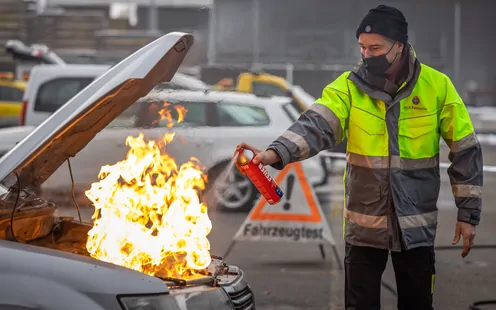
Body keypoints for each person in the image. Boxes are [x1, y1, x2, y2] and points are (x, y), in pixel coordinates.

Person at [237, 4, 483, 310]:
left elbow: (465, 150)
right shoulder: (348, 87)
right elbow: (316, 124)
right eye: (363, 48)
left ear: (400, 46)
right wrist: (277, 151)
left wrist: (467, 214)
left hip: (415, 228)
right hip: (364, 229)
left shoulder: (437, 87)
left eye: (376, 48)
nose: (367, 55)